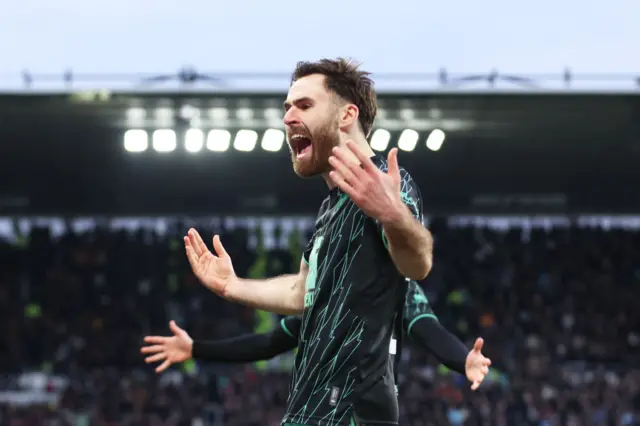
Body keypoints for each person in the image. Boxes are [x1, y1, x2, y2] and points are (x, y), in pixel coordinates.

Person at [181, 58, 433, 426]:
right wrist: (232, 286)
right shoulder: (330, 209)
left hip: (351, 412)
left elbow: (418, 263)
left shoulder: (386, 184)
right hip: (310, 409)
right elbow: (302, 292)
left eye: (304, 105)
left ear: (347, 114)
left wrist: (393, 215)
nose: (287, 118)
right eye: (287, 108)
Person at [142, 281, 492, 391]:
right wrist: (197, 349)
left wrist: (463, 359)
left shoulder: (400, 290)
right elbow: (268, 344)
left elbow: (429, 330)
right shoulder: (329, 295)